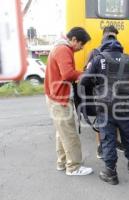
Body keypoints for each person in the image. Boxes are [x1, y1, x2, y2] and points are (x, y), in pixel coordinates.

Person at [81, 33, 129, 185]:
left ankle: (111, 173)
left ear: (103, 44)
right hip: (125, 104)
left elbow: (85, 80)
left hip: (105, 106)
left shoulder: (99, 58)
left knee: (108, 139)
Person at [44, 27, 93, 176]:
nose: (82, 47)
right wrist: (85, 73)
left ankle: (63, 162)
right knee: (70, 134)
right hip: (60, 98)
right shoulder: (64, 50)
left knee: (62, 133)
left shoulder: (59, 47)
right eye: (81, 44)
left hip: (55, 96)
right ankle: (74, 167)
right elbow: (67, 74)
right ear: (73, 40)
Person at [87, 25, 125, 159]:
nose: (112, 38)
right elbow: (88, 71)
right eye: (110, 35)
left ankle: (115, 142)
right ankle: (100, 146)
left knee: (116, 118)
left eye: (114, 36)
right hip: (101, 92)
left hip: (117, 91)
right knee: (101, 121)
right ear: (104, 35)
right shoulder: (95, 52)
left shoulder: (119, 50)